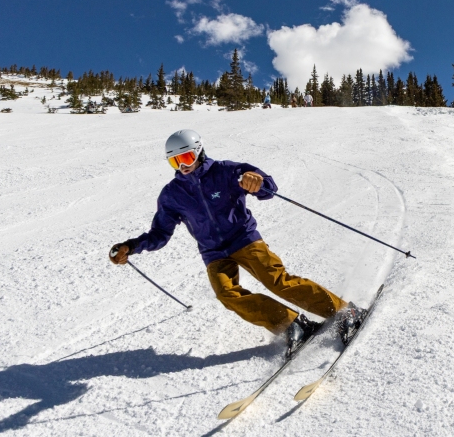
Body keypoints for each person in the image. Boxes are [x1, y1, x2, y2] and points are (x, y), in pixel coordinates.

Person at [109, 129, 365, 355]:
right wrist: (131, 246)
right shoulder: (172, 194)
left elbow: (269, 188)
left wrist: (257, 182)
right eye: (174, 161)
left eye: (185, 157)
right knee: (227, 294)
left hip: (244, 238)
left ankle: (345, 312)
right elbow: (159, 234)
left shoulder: (226, 171)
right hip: (213, 252)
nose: (181, 165)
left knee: (277, 281)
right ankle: (292, 325)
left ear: (198, 152)